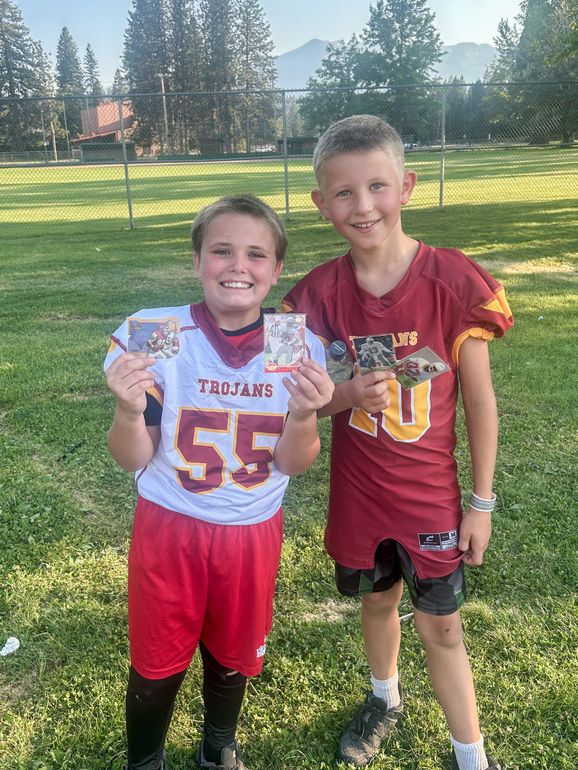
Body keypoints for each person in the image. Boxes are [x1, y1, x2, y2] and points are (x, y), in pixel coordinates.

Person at [282, 116, 513, 770]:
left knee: (443, 626)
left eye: (377, 186)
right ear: (320, 204)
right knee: (378, 600)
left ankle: (472, 757)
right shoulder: (312, 299)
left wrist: (482, 502)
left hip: (429, 497)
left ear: (406, 186)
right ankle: (384, 697)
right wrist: (346, 395)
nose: (364, 206)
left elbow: (480, 403)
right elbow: (288, 399)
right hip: (360, 496)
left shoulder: (453, 281)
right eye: (345, 193)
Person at [104, 194, 334, 770]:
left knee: (233, 651)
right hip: (169, 522)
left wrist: (304, 415)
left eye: (256, 255)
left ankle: (218, 742)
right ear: (197, 260)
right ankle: (145, 758)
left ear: (276, 271)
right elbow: (129, 454)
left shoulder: (298, 346)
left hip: (250, 527)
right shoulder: (156, 332)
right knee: (157, 658)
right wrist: (130, 412)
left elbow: (292, 463)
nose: (238, 266)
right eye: (221, 251)